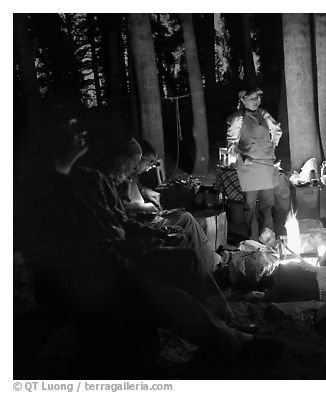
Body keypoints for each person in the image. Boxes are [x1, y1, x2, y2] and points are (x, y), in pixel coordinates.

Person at [16, 107, 283, 376]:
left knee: (184, 258)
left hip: (112, 263)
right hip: (94, 278)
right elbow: (94, 245)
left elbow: (115, 224)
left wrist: (154, 235)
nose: (81, 138)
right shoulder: (61, 188)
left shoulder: (90, 177)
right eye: (75, 132)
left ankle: (225, 325)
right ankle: (232, 341)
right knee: (167, 292)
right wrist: (146, 245)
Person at [118, 139, 222, 272]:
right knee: (187, 220)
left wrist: (145, 191)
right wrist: (143, 208)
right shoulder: (118, 180)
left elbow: (135, 187)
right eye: (149, 162)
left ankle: (211, 261)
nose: (140, 168)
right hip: (141, 226)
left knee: (185, 219)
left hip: (147, 221)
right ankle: (212, 265)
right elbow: (123, 211)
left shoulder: (131, 176)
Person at [227, 85, 282, 242]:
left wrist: (272, 146)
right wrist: (241, 156)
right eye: (251, 98)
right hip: (248, 166)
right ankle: (253, 240)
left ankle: (269, 240)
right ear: (243, 100)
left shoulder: (264, 114)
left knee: (267, 205)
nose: (256, 101)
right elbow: (231, 145)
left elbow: (277, 130)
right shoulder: (237, 119)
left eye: (258, 97)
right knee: (250, 206)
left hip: (266, 164)